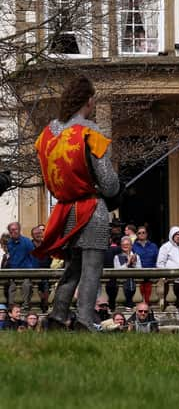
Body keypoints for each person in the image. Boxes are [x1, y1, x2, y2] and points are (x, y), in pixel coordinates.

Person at [33, 76, 120, 331]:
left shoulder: (47, 133)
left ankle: (58, 316)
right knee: (92, 267)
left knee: (72, 267)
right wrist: (116, 188)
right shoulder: (90, 132)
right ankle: (84, 319)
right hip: (90, 207)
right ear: (89, 100)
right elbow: (109, 183)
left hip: (64, 208)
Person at [157, 226, 179, 308]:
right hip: (170, 281)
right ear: (172, 235)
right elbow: (160, 263)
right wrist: (165, 277)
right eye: (176, 234)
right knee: (169, 304)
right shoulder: (165, 247)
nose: (178, 236)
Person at [6, 222, 35, 307]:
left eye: (15, 229)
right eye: (11, 230)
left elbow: (33, 256)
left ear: (19, 230)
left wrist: (33, 271)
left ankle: (25, 307)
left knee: (26, 288)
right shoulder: (9, 243)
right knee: (12, 290)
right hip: (13, 273)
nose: (13, 232)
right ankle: (12, 309)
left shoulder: (27, 242)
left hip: (26, 272)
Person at [132, 225, 159, 303]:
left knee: (150, 300)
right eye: (139, 233)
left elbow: (158, 260)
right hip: (138, 277)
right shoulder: (133, 246)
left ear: (147, 234)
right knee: (138, 300)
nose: (142, 234)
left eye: (143, 232)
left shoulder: (153, 246)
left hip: (151, 276)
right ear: (137, 235)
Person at [113, 236, 141, 308]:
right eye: (123, 244)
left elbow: (140, 270)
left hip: (135, 286)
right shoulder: (117, 257)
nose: (125, 246)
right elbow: (117, 271)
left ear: (131, 246)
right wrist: (127, 263)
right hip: (123, 287)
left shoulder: (136, 256)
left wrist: (134, 263)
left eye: (127, 244)